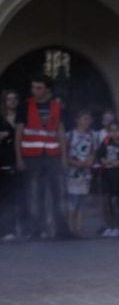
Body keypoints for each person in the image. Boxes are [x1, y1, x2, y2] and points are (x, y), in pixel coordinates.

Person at [14, 74, 72, 239]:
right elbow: (18, 133)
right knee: (33, 193)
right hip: (31, 156)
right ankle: (36, 230)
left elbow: (60, 131)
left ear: (47, 89)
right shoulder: (24, 107)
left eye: (39, 88)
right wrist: (18, 157)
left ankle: (61, 230)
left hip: (53, 155)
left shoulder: (57, 107)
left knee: (59, 192)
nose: (35, 91)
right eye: (33, 87)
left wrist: (64, 156)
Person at [65, 110, 98, 236]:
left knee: (82, 201)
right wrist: (74, 162)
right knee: (72, 201)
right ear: (77, 120)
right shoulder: (70, 135)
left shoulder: (92, 136)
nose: (87, 122)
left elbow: (93, 151)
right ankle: (70, 227)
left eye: (89, 119)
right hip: (72, 172)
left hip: (85, 172)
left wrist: (89, 161)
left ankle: (78, 228)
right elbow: (65, 152)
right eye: (85, 119)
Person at [95, 120, 119, 238]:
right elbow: (99, 154)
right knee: (107, 200)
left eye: (116, 131)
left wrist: (118, 162)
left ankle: (116, 226)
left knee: (115, 200)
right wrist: (103, 160)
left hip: (118, 174)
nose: (114, 133)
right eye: (111, 131)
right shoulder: (106, 142)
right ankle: (109, 226)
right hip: (107, 173)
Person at [0, 89, 23, 240]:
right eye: (9, 99)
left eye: (15, 99)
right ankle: (5, 230)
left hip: (20, 161)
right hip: (3, 161)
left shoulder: (22, 119)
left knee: (19, 196)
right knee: (4, 197)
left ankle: (19, 228)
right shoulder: (0, 119)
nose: (12, 102)